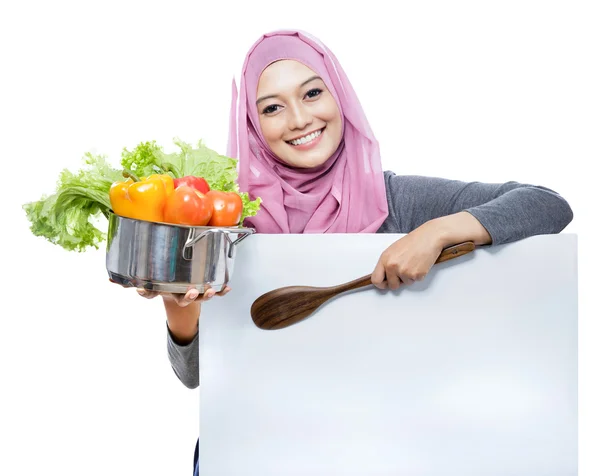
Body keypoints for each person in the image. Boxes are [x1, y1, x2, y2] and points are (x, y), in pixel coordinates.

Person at [137, 30, 574, 474]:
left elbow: (548, 204)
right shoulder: (226, 216)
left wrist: (436, 232)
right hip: (253, 447)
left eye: (312, 93)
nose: (299, 118)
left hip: (375, 445)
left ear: (339, 95)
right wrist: (179, 309)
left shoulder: (394, 200)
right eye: (272, 107)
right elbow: (196, 376)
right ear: (250, 122)